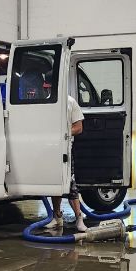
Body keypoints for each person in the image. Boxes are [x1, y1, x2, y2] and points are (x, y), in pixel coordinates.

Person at [45, 95, 87, 233]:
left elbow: (79, 127)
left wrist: (63, 133)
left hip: (65, 150)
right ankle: (57, 217)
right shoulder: (45, 100)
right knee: (55, 183)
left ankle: (79, 218)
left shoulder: (70, 102)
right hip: (49, 149)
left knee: (70, 184)